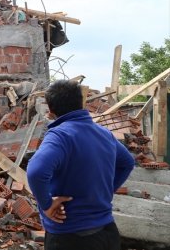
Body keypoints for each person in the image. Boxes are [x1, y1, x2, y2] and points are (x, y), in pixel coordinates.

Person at [27, 80, 135, 250]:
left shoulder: (60, 135)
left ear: (51, 110)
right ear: (81, 102)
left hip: (71, 236)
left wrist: (47, 205)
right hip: (107, 233)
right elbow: (127, 163)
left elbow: (36, 172)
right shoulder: (104, 133)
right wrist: (106, 190)